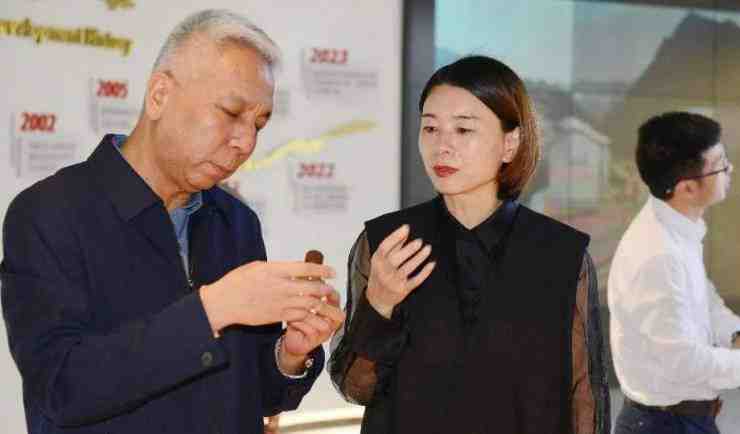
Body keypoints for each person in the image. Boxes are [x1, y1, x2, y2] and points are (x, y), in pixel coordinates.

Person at [1, 9, 344, 434]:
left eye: (259, 123)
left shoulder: (236, 221)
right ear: (159, 95)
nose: (246, 142)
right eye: (231, 112)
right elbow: (61, 389)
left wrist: (289, 354)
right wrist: (212, 309)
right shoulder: (48, 213)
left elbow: (258, 393)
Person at [328, 55, 610, 434]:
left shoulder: (560, 254)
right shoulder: (389, 243)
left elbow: (584, 398)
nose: (442, 146)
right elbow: (354, 387)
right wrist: (378, 304)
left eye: (463, 130)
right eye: (430, 128)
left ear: (509, 143)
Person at [609, 112, 739, 434]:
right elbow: (684, 363)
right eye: (721, 165)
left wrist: (735, 334)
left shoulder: (678, 224)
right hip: (664, 424)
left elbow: (705, 301)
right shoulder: (659, 255)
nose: (730, 169)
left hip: (681, 418)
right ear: (688, 188)